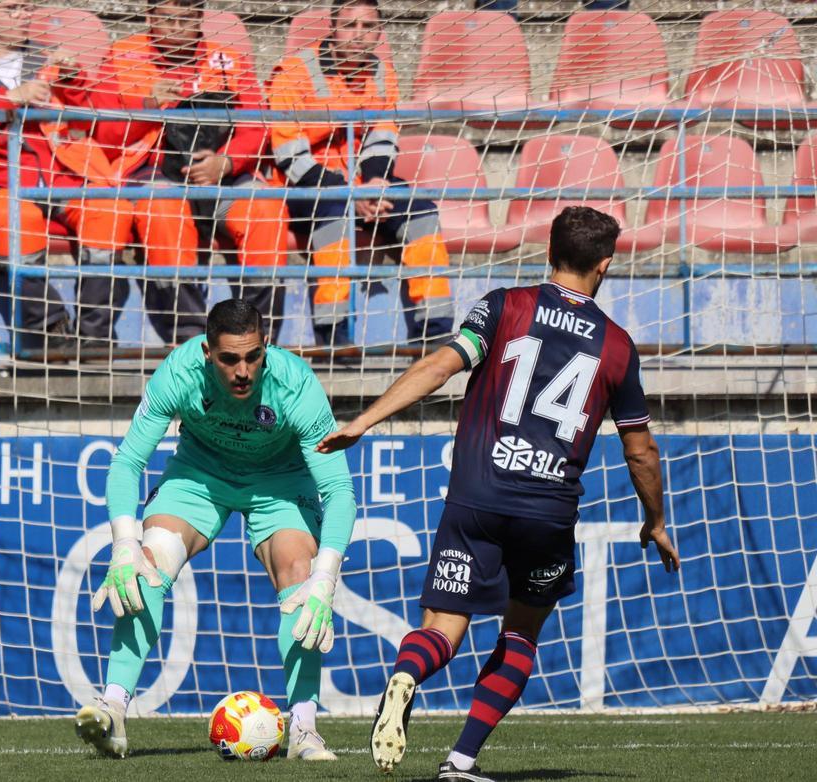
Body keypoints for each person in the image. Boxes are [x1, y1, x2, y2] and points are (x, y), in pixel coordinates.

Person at [317, 207, 681, 780]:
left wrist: (364, 421)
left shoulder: (503, 306)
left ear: (548, 253)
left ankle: (409, 675)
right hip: (547, 512)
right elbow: (640, 450)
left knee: (443, 626)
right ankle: (460, 760)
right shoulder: (617, 346)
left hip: (476, 498)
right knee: (520, 632)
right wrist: (655, 519)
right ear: (606, 265)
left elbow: (440, 366)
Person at [75, 298, 356, 760]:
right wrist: (124, 544)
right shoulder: (179, 372)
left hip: (279, 481)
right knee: (149, 558)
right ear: (207, 352)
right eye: (228, 359)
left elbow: (339, 490)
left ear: (267, 347)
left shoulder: (297, 385)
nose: (242, 371)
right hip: (200, 473)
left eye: (252, 357)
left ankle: (304, 730)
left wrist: (327, 577)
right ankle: (114, 709)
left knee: (301, 576)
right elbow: (126, 462)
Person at [0, 0, 140, 354]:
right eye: (12, 8)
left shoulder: (50, 61)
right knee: (15, 219)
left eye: (27, 8)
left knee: (110, 210)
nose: (23, 16)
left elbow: (91, 109)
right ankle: (51, 330)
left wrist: (73, 75)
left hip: (66, 176)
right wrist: (9, 98)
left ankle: (95, 334)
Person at [87, 0, 290, 344]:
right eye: (168, 19)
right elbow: (103, 136)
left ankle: (258, 338)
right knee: (163, 206)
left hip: (222, 183)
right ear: (149, 17)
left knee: (266, 208)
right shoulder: (122, 57)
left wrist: (224, 163)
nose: (177, 28)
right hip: (153, 175)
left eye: (187, 18)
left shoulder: (228, 61)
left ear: (200, 18)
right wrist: (148, 107)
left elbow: (257, 126)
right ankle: (189, 337)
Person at [268, 0, 453, 355]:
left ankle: (435, 331)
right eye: (349, 26)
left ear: (379, 32)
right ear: (333, 30)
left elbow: (383, 135)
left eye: (368, 27)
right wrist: (354, 192)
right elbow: (290, 156)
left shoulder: (382, 72)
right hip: (304, 186)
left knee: (421, 211)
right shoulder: (292, 73)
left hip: (364, 183)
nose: (358, 35)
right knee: (334, 213)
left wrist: (373, 183)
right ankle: (333, 333)